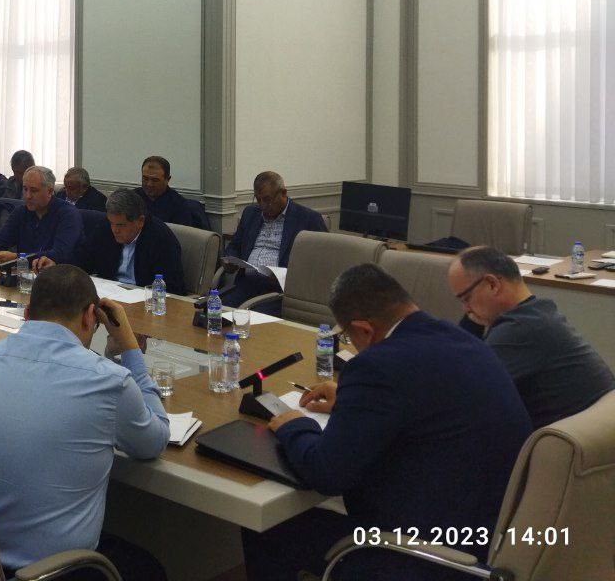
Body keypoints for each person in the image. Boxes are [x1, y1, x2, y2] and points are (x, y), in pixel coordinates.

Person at [248, 264, 532, 581]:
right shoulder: (462, 339)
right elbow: (426, 401)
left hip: (426, 554)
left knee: (265, 528)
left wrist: (294, 425)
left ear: (364, 330)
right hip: (493, 536)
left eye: (348, 336)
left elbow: (326, 473)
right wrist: (354, 402)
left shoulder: (376, 366)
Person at [0, 264, 170, 580]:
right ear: (90, 316)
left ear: (27, 313)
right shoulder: (110, 381)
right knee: (150, 570)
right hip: (57, 572)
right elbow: (153, 442)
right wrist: (130, 347)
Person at [449, 246, 614, 428]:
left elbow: (457, 390)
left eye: (466, 298)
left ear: (492, 284)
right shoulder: (536, 314)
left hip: (565, 440)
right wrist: (474, 320)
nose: (466, 309)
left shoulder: (518, 331)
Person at [219, 170, 327, 308]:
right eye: (258, 199)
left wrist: (283, 276)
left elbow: (319, 264)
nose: (262, 206)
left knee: (254, 317)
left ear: (283, 193)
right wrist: (229, 259)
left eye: (267, 199)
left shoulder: (307, 219)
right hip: (246, 285)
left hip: (279, 292)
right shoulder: (250, 213)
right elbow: (235, 245)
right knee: (213, 311)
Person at [67, 189, 186, 293]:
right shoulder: (105, 227)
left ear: (140, 221)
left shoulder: (161, 239)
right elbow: (84, 261)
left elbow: (172, 287)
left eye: (121, 225)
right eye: (111, 223)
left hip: (144, 297)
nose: (114, 230)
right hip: (110, 292)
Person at [0, 167, 83, 266]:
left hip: (63, 273)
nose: (27, 196)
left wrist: (17, 257)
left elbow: (59, 254)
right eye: (25, 189)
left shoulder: (68, 214)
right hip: (25, 272)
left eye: (34, 191)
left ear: (50, 192)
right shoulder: (21, 212)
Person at [136, 156, 209, 230]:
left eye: (155, 180)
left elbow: (180, 235)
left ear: (167, 179)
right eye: (145, 178)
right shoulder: (133, 197)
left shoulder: (179, 206)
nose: (149, 184)